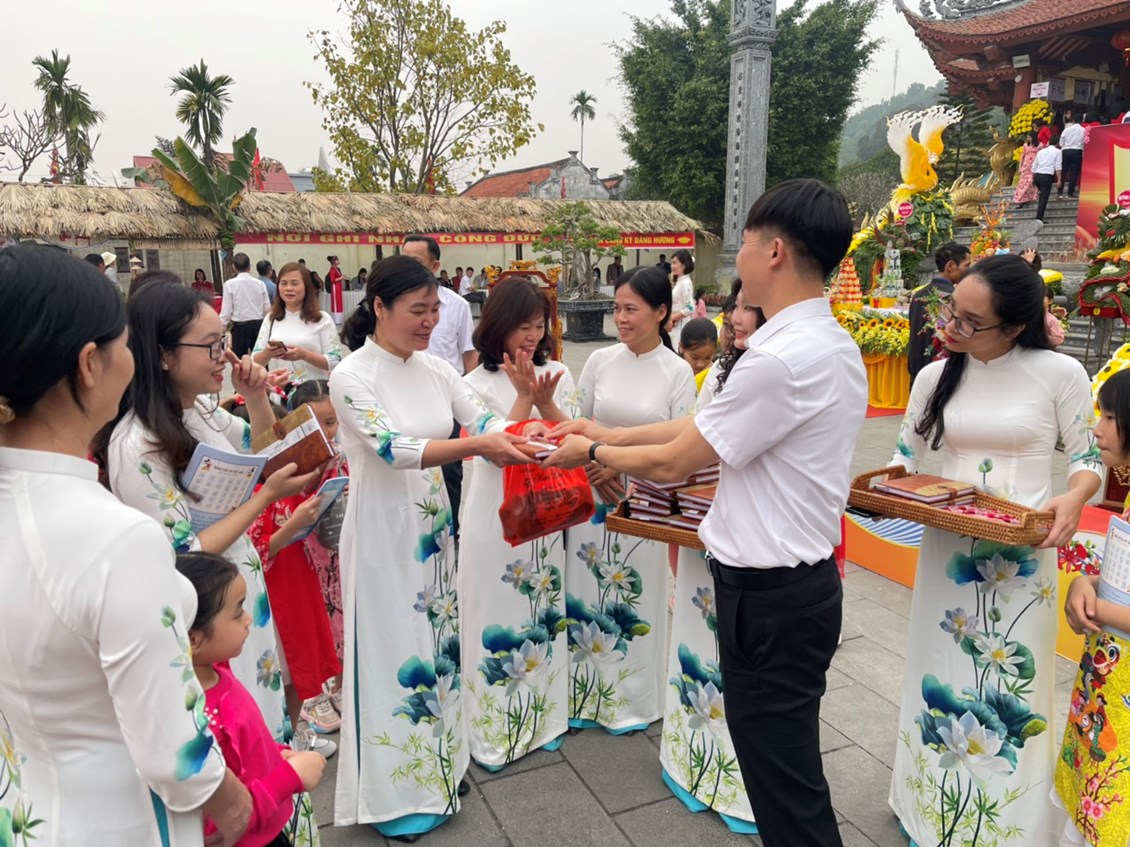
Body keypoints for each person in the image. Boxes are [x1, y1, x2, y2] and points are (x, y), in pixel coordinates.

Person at [543, 178, 868, 847]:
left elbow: (676, 462)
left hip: (771, 598)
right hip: (794, 589)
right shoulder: (828, 343)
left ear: (774, 251)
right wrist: (601, 430)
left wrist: (593, 449)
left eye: (744, 240)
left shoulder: (777, 359)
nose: (737, 254)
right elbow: (700, 429)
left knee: (786, 789)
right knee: (784, 776)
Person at [0, 244, 253, 845]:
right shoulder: (117, 538)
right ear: (90, 363)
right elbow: (173, 752)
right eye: (124, 343)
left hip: (28, 808)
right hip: (122, 817)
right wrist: (236, 800)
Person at [887, 254, 1102, 847]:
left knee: (1009, 682)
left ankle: (1004, 824)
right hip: (947, 547)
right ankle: (929, 805)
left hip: (1022, 552)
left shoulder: (1059, 373)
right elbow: (904, 456)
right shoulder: (936, 376)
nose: (951, 327)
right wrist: (888, 488)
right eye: (951, 311)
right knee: (939, 663)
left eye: (970, 321)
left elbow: (1088, 459)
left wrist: (1075, 497)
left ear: (1014, 327)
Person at [99, 281, 326, 751]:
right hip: (204, 612)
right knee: (235, 731)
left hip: (239, 591)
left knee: (263, 712)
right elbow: (180, 554)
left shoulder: (199, 409)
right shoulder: (138, 445)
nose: (223, 356)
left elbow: (264, 450)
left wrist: (256, 397)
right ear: (163, 355)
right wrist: (264, 499)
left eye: (222, 341)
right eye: (209, 346)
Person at [560, 266, 697, 735]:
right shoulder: (599, 361)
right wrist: (594, 466)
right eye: (617, 308)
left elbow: (679, 445)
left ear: (661, 313)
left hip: (645, 501)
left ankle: (631, 701)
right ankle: (583, 694)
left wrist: (616, 464)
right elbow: (579, 423)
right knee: (586, 592)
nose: (621, 318)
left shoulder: (677, 372)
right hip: (594, 497)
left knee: (635, 597)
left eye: (631, 309)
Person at [460, 276, 578, 772]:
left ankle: (543, 716)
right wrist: (523, 398)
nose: (532, 336)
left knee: (541, 607)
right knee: (492, 607)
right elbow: (494, 453)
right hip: (492, 509)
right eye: (522, 326)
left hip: (543, 510)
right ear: (499, 325)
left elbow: (570, 437)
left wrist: (543, 400)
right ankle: (494, 727)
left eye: (539, 325)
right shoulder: (470, 385)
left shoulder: (559, 373)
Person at [176, 551, 324, 845]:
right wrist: (289, 777)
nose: (248, 620)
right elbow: (216, 826)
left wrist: (277, 754)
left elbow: (247, 747)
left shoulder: (217, 671)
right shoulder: (197, 718)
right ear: (193, 638)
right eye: (237, 613)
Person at [247, 380, 343, 739]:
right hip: (280, 588)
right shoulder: (261, 491)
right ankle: (291, 734)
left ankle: (295, 735)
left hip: (304, 574)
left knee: (301, 662)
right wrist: (295, 524)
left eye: (332, 422)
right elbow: (260, 548)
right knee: (284, 665)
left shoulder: (301, 475)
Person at [1058, 369, 1130, 844]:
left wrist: (1097, 609)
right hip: (1110, 678)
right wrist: (1086, 582)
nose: (1097, 430)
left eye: (1109, 417)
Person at [403, 235, 478, 543]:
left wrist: (468, 400)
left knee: (449, 471)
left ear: (434, 266)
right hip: (405, 397)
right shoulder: (395, 306)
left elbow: (469, 354)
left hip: (447, 399)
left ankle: (452, 533)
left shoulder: (457, 306)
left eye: (415, 262)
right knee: (411, 469)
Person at [252, 261, 343, 384]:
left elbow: (336, 361)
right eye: (284, 283)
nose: (288, 288)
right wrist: (267, 354)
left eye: (294, 283)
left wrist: (304, 355)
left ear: (306, 287)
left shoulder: (322, 319)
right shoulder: (271, 318)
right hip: (279, 392)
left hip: (313, 392)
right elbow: (254, 361)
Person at [908, 241, 970, 385]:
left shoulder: (919, 295)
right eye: (967, 265)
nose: (970, 270)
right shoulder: (953, 297)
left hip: (917, 373)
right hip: (942, 376)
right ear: (951, 266)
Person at [221, 252, 271, 357]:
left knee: (239, 361)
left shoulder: (229, 284)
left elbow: (226, 311)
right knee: (260, 359)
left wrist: (222, 328)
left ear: (234, 267)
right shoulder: (260, 284)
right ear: (249, 267)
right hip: (258, 325)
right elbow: (267, 308)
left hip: (240, 328)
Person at [678, 316, 718, 394]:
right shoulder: (672, 375)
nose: (701, 364)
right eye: (695, 357)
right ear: (681, 347)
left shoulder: (715, 377)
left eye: (708, 357)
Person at [668, 249, 697, 349]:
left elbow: (690, 308)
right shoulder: (679, 282)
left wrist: (672, 317)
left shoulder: (685, 283)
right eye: (671, 263)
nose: (672, 266)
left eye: (675, 263)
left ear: (684, 265)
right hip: (675, 325)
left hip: (680, 325)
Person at [1032, 139, 1063, 223]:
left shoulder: (1041, 152)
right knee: (1044, 197)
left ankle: (1039, 192)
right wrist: (1059, 180)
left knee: (1042, 194)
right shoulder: (1058, 152)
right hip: (1047, 175)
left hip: (1037, 175)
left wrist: (1033, 179)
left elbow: (1034, 166)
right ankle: (1039, 217)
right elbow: (1058, 167)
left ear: (1048, 143)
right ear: (1057, 144)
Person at [1059, 113, 1085, 200]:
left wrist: (1064, 147)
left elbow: (1061, 142)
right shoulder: (1083, 130)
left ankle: (1060, 193)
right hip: (1077, 151)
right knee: (1074, 173)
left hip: (1066, 150)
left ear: (1073, 120)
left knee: (1064, 171)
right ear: (1082, 120)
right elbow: (1085, 142)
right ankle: (1070, 193)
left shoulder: (1067, 129)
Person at [1013, 132, 1039, 207]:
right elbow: (1022, 157)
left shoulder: (1038, 146)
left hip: (1033, 166)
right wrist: (1020, 167)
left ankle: (1030, 197)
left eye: (1029, 137)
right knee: (1023, 183)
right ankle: (1020, 198)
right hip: (1026, 166)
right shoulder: (1025, 145)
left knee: (1031, 181)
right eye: (1027, 137)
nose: (1028, 139)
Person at [326, 255, 344, 323]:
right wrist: (340, 278)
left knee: (339, 302)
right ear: (333, 262)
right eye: (337, 260)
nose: (338, 261)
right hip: (335, 287)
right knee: (336, 302)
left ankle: (340, 319)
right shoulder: (332, 270)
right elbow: (332, 280)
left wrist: (341, 277)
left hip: (339, 287)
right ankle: (336, 319)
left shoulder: (337, 269)